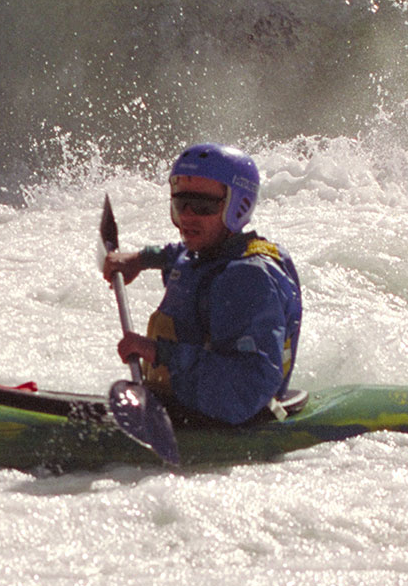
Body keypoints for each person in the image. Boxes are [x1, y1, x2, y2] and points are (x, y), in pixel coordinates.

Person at [103, 143, 302, 425]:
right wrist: (141, 258)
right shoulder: (206, 252)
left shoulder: (250, 279)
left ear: (238, 205)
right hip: (187, 404)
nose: (187, 216)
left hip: (232, 418)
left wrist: (158, 352)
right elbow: (184, 258)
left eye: (202, 206)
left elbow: (246, 389)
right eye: (180, 202)